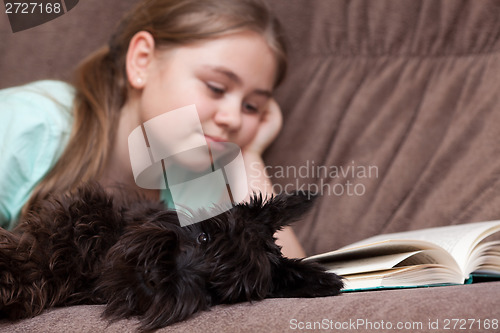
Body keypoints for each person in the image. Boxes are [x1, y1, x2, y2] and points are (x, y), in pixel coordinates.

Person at [0, 0, 305, 258]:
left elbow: (289, 287)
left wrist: (249, 156)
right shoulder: (30, 124)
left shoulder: (196, 179)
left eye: (251, 107)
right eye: (216, 87)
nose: (234, 119)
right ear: (142, 61)